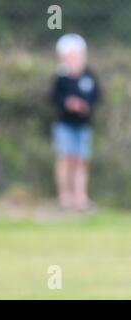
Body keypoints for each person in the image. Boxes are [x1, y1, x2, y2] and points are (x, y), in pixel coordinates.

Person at [51, 33, 101, 211]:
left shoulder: (89, 76)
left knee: (80, 161)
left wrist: (86, 106)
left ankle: (81, 198)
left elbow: (97, 97)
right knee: (65, 158)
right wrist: (67, 104)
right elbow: (54, 99)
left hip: (83, 126)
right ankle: (65, 197)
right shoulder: (61, 78)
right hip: (65, 124)